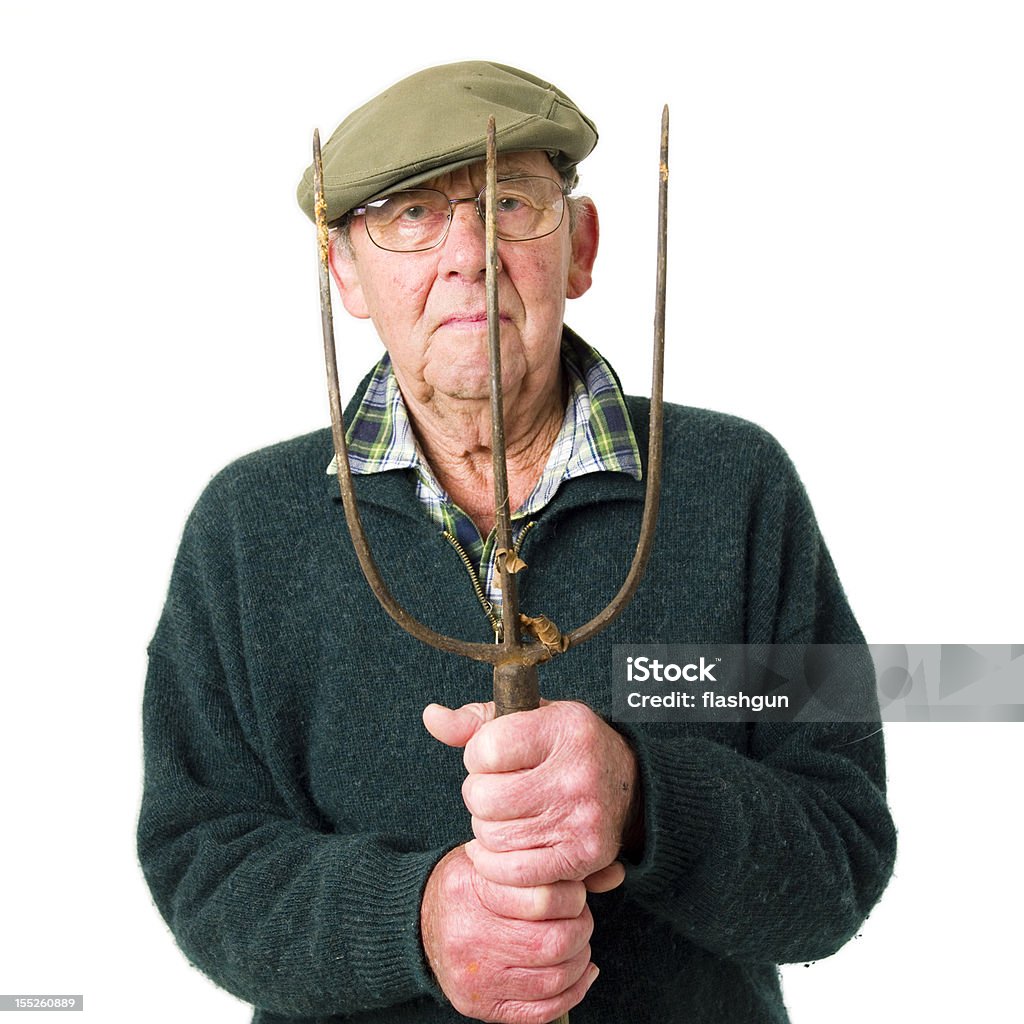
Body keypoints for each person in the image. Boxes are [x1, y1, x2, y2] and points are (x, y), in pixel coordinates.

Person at [138, 61, 896, 1024]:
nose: (466, 255)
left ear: (579, 247)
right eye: (410, 215)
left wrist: (643, 798)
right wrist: (414, 921)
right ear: (344, 272)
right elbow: (202, 861)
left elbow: (838, 860)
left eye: (507, 201)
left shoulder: (731, 489)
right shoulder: (249, 530)